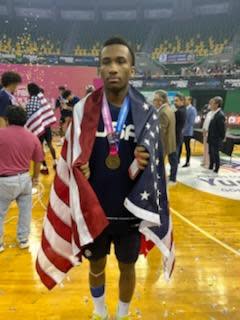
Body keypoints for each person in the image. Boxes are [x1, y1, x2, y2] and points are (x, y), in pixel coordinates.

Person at [37, 37, 174, 320]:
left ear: (132, 69)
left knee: (128, 268)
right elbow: (70, 159)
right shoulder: (82, 109)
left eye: (120, 61)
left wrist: (144, 164)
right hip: (93, 211)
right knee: (95, 267)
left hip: (130, 213)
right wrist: (79, 168)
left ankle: (122, 315)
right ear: (99, 69)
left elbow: (156, 171)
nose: (113, 68)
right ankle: (100, 313)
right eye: (106, 62)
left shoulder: (146, 113)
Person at [0, 106, 44, 253]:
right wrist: (35, 178)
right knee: (25, 211)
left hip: (4, 180)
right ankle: (23, 239)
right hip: (24, 178)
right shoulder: (32, 137)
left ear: (7, 120)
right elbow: (38, 160)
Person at [26, 83, 57, 174]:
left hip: (38, 127)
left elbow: (30, 115)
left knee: (40, 147)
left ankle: (44, 167)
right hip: (47, 126)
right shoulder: (42, 98)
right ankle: (56, 162)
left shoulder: (31, 100)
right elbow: (47, 111)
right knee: (50, 144)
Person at [153, 90, 177, 184]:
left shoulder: (163, 112)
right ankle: (169, 177)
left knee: (160, 162)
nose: (153, 102)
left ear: (160, 101)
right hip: (169, 140)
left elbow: (161, 132)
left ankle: (162, 180)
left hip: (163, 142)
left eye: (155, 99)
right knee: (169, 161)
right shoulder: (169, 109)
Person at [208, 97, 226, 173]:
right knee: (211, 152)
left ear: (217, 104)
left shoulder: (220, 115)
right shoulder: (214, 113)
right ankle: (211, 165)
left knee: (215, 153)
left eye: (212, 103)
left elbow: (222, 129)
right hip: (211, 137)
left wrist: (221, 138)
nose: (211, 105)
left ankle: (217, 168)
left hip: (216, 138)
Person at [180, 96, 197, 167]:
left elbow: (191, 122)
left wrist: (184, 130)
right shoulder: (183, 108)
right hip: (181, 132)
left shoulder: (193, 110)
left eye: (186, 100)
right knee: (179, 147)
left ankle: (187, 161)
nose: (184, 101)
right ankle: (178, 161)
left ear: (190, 101)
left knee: (187, 147)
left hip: (187, 132)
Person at [201, 100, 214, 168]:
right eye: (209, 103)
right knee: (205, 148)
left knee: (209, 149)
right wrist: (203, 129)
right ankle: (204, 161)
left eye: (211, 103)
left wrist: (207, 130)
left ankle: (208, 163)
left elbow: (212, 125)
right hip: (205, 133)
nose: (210, 105)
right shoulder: (209, 113)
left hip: (210, 133)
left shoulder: (214, 114)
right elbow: (205, 122)